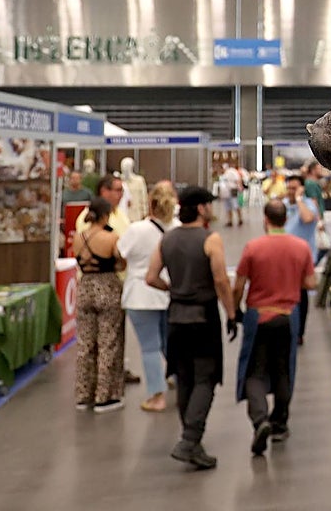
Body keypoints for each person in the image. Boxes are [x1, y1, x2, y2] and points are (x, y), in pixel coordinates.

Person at [146, 186, 237, 470]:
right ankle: (189, 439)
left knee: (184, 377)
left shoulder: (167, 240)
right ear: (200, 208)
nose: (211, 208)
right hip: (203, 317)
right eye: (208, 204)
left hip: (175, 317)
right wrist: (232, 313)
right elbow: (221, 280)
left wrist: (173, 289)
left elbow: (150, 277)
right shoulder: (211, 239)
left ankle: (192, 444)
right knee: (205, 378)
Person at [232, 199, 316, 455]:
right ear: (284, 218)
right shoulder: (301, 247)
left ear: (265, 219)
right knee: (283, 370)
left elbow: (238, 285)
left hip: (259, 317)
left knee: (255, 371)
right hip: (287, 316)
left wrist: (234, 310)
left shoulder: (253, 248)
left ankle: (260, 421)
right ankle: (280, 423)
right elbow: (311, 284)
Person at [118, 181, 178, 412]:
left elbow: (120, 254)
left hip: (140, 294)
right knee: (169, 343)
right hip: (169, 291)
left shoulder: (137, 229)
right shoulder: (178, 227)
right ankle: (179, 379)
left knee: (150, 347)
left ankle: (157, 396)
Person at [73, 197, 127, 413]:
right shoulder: (111, 238)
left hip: (85, 288)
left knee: (85, 343)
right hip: (107, 288)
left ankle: (83, 393)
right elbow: (122, 262)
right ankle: (105, 396)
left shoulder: (78, 237)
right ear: (105, 216)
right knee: (108, 342)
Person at [284, 173, 319, 345]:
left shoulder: (308, 205)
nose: (291, 191)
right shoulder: (282, 206)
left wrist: (298, 199)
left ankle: (299, 332)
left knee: (300, 294)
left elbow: (307, 218)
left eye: (294, 188)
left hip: (303, 261)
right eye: (289, 188)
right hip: (283, 259)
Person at [217, 163, 242, 227]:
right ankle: (230, 220)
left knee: (235, 205)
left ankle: (240, 219)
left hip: (232, 190)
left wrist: (239, 186)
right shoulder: (222, 175)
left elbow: (238, 179)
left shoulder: (231, 171)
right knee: (227, 207)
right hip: (225, 193)